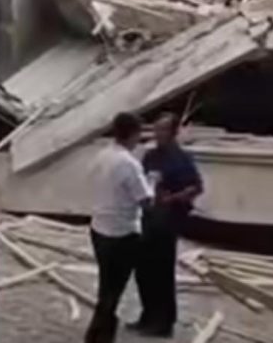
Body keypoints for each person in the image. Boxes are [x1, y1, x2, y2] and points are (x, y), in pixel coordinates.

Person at [130, 112, 203, 338]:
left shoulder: (181, 159)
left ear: (173, 133)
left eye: (162, 130)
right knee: (143, 269)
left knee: (161, 270)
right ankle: (147, 314)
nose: (158, 134)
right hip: (147, 217)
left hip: (167, 219)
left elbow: (196, 187)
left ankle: (163, 322)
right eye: (156, 129)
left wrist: (173, 198)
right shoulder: (151, 156)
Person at [85, 112, 153, 343]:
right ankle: (98, 335)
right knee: (113, 290)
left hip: (99, 227)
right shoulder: (130, 164)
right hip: (121, 233)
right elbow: (145, 200)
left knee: (106, 286)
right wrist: (155, 185)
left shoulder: (102, 156)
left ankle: (101, 333)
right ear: (133, 134)